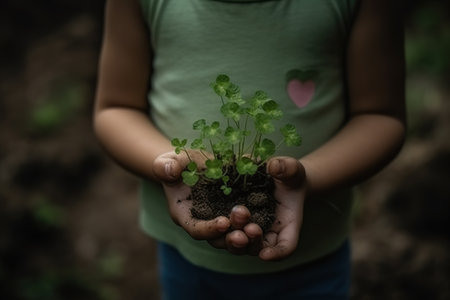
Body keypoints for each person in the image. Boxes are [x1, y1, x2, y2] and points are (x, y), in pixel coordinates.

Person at [93, 0, 406, 299]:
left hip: (313, 257)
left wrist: (307, 179)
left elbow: (381, 116)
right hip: (186, 258)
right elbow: (116, 108)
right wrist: (173, 167)